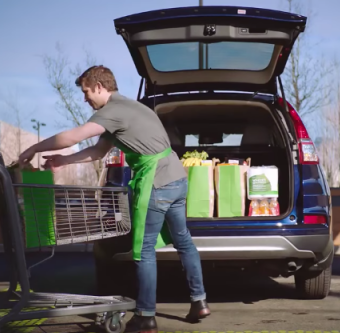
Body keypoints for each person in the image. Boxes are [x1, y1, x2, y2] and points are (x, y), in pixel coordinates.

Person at [17, 65, 210, 332]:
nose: (85, 99)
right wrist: (65, 160)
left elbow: (74, 135)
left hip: (156, 182)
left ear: (99, 86)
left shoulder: (112, 112)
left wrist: (35, 147)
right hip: (177, 179)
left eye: (86, 92)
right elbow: (97, 151)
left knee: (143, 251)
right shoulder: (131, 108)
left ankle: (145, 316)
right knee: (184, 241)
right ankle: (199, 301)